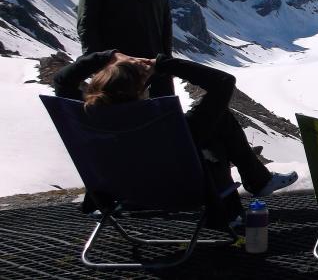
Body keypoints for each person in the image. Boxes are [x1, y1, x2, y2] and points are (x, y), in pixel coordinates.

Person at [53, 49, 298, 224]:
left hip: (119, 196)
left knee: (219, 120)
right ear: (142, 89)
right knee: (219, 121)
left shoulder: (85, 119)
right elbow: (223, 82)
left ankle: (258, 180)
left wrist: (108, 56)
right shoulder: (176, 129)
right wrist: (162, 64)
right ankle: (253, 186)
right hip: (182, 195)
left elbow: (62, 79)